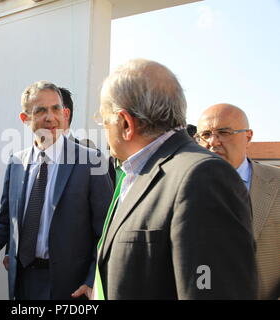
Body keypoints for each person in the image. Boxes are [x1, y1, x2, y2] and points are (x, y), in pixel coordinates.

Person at [93, 59, 257, 299]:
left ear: (125, 123)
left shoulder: (202, 177)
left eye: (103, 120)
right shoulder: (139, 173)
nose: (104, 129)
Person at [0, 81, 113, 300]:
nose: (50, 117)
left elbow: (106, 233)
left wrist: (91, 281)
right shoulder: (16, 163)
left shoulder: (91, 161)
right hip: (22, 281)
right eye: (40, 111)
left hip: (70, 287)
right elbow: (4, 221)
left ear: (65, 113)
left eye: (56, 109)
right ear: (25, 119)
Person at [196, 103, 280, 299]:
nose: (213, 142)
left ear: (248, 137)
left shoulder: (276, 184)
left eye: (224, 132)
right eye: (206, 134)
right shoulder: (182, 186)